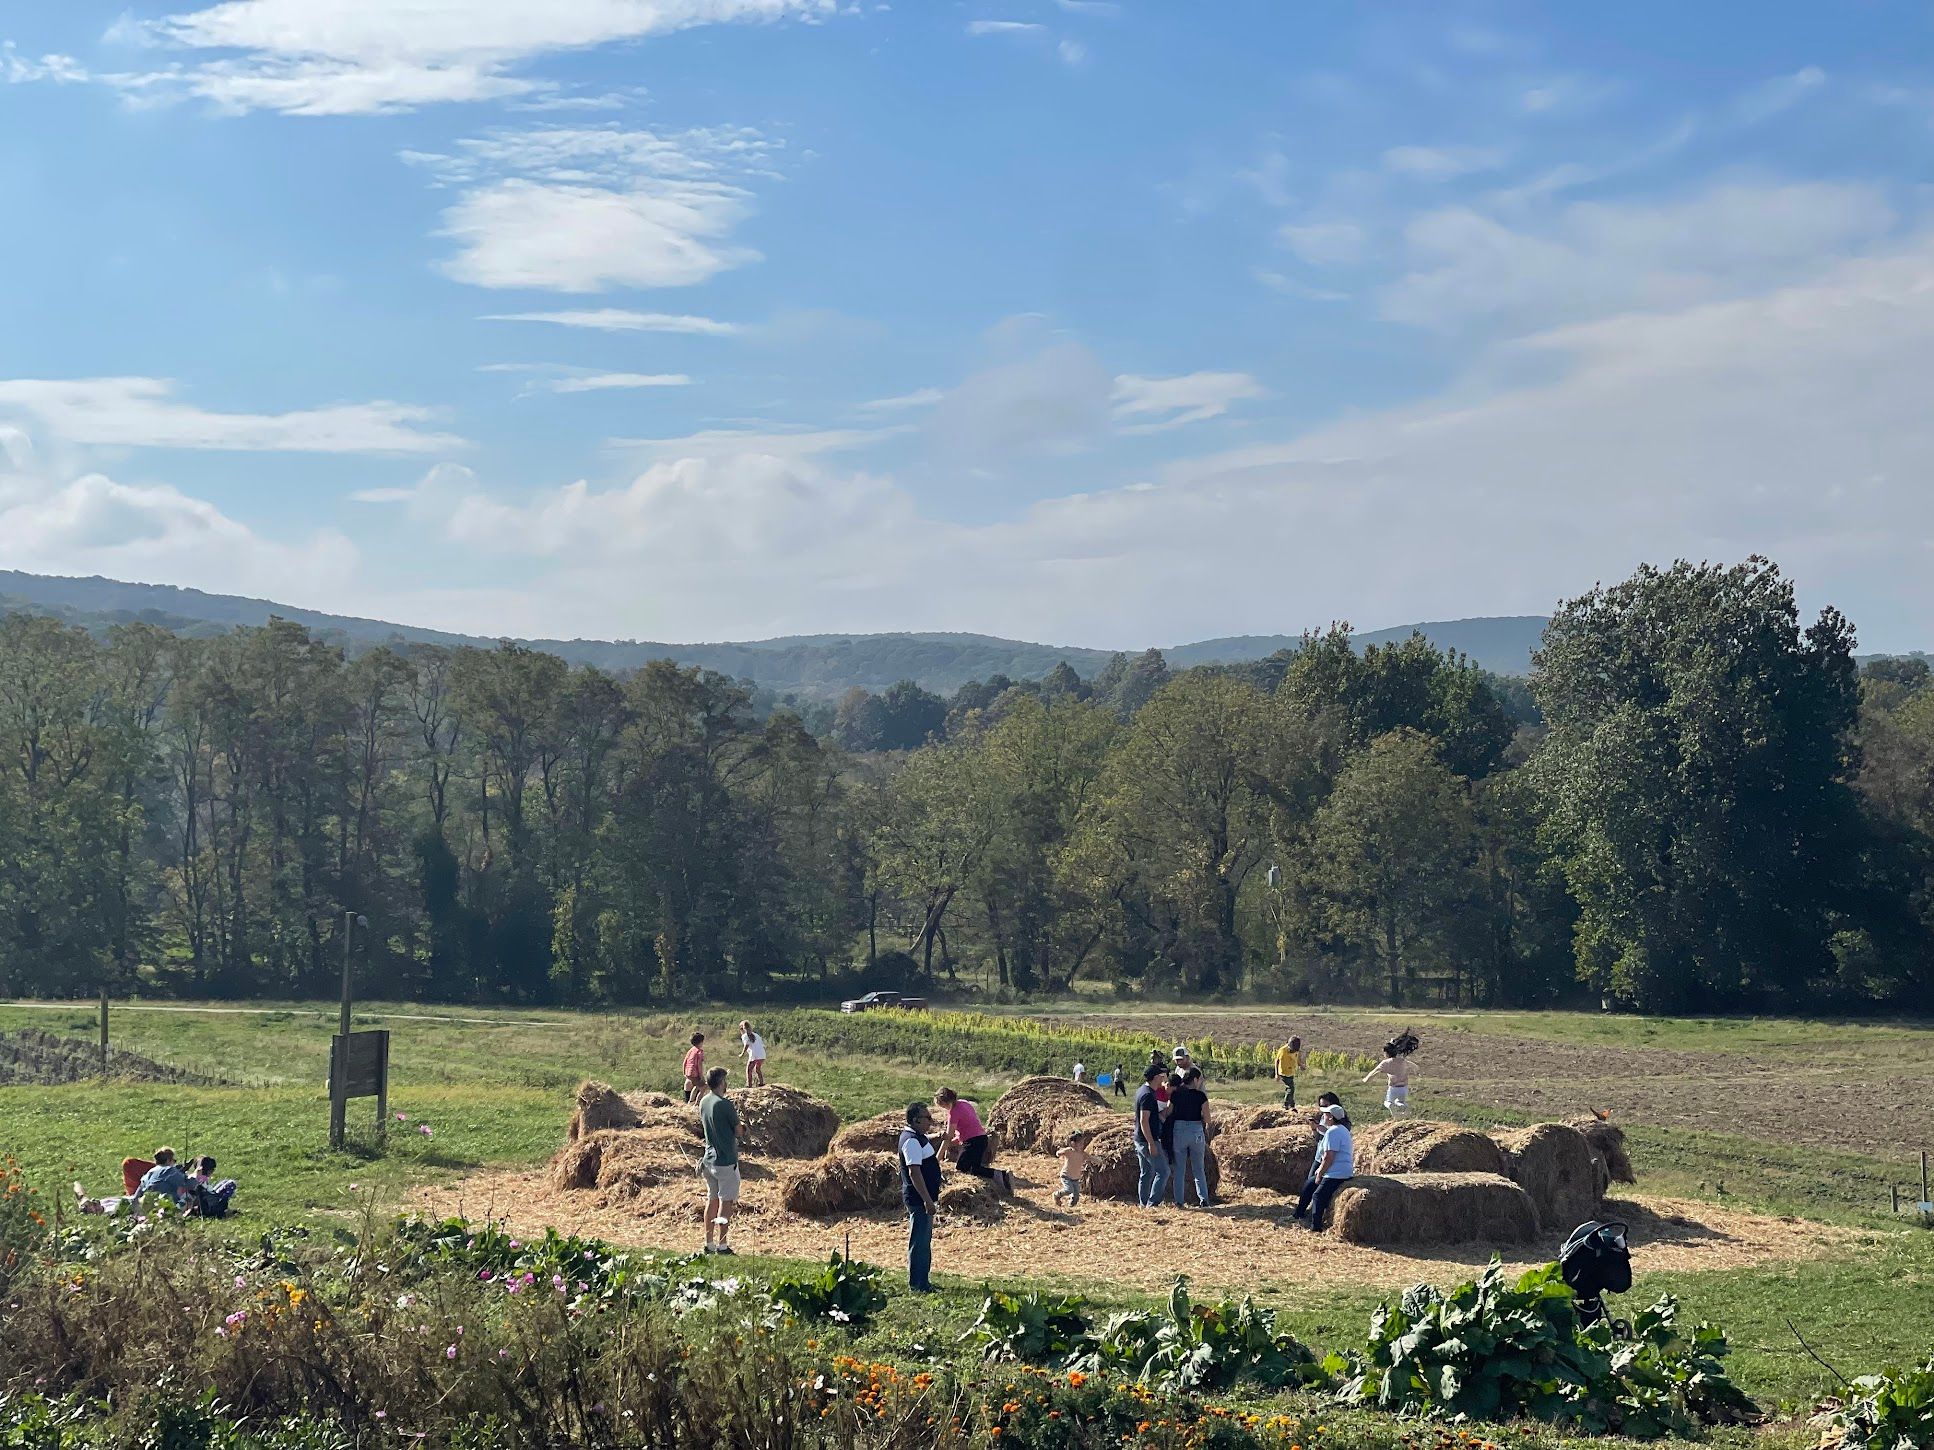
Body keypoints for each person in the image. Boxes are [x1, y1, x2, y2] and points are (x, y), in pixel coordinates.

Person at [898, 1101, 943, 1292]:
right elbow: (914, 1172)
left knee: (924, 1241)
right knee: (920, 1243)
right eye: (927, 1118)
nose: (930, 1122)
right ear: (916, 1120)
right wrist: (926, 1200)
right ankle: (918, 1284)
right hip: (919, 1200)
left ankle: (922, 1281)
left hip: (924, 1198)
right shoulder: (911, 1141)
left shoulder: (917, 1137)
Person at [933, 1088, 1012, 1193]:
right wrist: (951, 1144)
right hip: (982, 1139)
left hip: (973, 1142)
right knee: (975, 1169)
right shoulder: (964, 1103)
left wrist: (936, 1159)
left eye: (942, 1105)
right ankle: (1002, 1180)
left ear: (945, 1102)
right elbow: (967, 1130)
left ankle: (1001, 1175)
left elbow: (948, 1137)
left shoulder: (953, 1113)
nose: (943, 1108)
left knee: (961, 1168)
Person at [1292, 1102, 1354, 1231]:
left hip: (1336, 1173)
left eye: (1325, 1114)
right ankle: (1298, 1214)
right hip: (1341, 1170)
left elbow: (1328, 1157)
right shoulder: (1341, 1129)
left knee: (1318, 1196)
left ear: (1331, 1117)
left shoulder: (1333, 1132)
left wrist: (1320, 1173)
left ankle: (1316, 1226)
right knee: (1309, 1185)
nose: (1323, 1116)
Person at [698, 1067, 740, 1255]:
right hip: (725, 1161)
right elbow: (738, 1131)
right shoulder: (725, 1104)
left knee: (712, 1200)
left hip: (709, 1160)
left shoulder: (704, 1101)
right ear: (721, 1082)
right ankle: (723, 1245)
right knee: (726, 1202)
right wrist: (744, 1129)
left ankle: (709, 1242)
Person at [1167, 1065, 1212, 1208]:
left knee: (1179, 1169)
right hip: (1196, 1131)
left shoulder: (1176, 1094)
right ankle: (1203, 1199)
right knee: (1198, 1168)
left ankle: (1179, 1201)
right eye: (1200, 1079)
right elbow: (1208, 1119)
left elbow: (1169, 1112)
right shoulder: (1201, 1096)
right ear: (1195, 1079)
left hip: (1179, 1131)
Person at [1133, 1064, 1170, 1208]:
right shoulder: (1148, 1096)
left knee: (1146, 1172)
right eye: (1161, 1077)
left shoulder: (1142, 1091)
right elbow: (1144, 1120)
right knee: (1163, 1171)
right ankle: (1152, 1204)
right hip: (1146, 1140)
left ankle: (1143, 1203)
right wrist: (1151, 1143)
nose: (1163, 1079)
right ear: (1155, 1078)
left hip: (1139, 1138)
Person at [1364, 1042, 1418, 1114]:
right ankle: (1403, 1106)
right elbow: (1415, 1066)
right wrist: (1416, 1072)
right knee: (1400, 1102)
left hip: (1393, 1088)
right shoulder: (1402, 1061)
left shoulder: (1386, 1063)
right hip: (1403, 1088)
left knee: (1387, 1102)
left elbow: (1375, 1071)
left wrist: (1366, 1079)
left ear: (1387, 1053)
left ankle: (1391, 1106)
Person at [1053, 1128, 1094, 1208]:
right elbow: (1059, 1152)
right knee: (1068, 1190)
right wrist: (1059, 1153)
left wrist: (1099, 1160)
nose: (1082, 1145)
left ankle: (1070, 1207)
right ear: (1073, 1144)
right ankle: (1056, 1195)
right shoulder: (1069, 1151)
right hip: (1066, 1176)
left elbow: (1091, 1158)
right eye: (1080, 1143)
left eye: (1083, 1143)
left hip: (1075, 1178)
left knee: (1076, 1197)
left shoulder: (1083, 1154)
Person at [1274, 1036, 1304, 1109]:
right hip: (1283, 1072)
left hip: (1291, 1072)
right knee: (1290, 1088)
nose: (1293, 1052)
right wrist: (1277, 1074)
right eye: (1292, 1050)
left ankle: (1291, 1104)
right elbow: (1277, 1061)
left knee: (1290, 1088)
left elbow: (1297, 1059)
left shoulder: (1296, 1051)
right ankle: (1286, 1104)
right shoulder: (1282, 1051)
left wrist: (1301, 1065)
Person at [738, 1020, 768, 1088]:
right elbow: (762, 1045)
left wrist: (742, 1054)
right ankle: (761, 1083)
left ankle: (749, 1085)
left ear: (742, 1029)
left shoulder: (745, 1036)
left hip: (754, 1055)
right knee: (757, 1069)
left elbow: (747, 1045)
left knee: (749, 1070)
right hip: (762, 1055)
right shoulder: (756, 1035)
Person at [682, 1032, 706, 1103]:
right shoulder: (699, 1052)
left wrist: (684, 1072)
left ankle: (689, 1100)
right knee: (702, 1087)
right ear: (701, 1042)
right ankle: (694, 1102)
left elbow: (685, 1061)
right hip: (694, 1073)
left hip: (688, 1072)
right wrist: (701, 1076)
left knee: (693, 1085)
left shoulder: (690, 1050)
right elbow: (699, 1065)